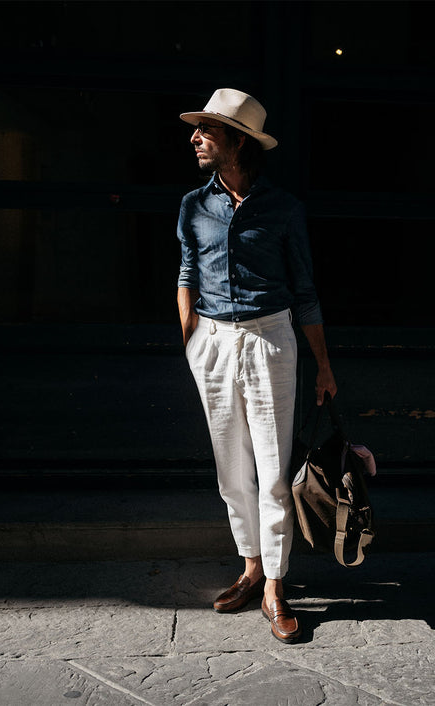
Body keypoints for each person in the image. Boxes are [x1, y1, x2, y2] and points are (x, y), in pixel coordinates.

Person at [176, 88, 337, 644]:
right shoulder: (194, 204)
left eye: (207, 130)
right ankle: (249, 567)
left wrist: (322, 363)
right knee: (231, 468)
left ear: (238, 141)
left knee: (272, 467)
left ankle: (274, 583)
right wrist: (191, 338)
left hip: (272, 338)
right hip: (214, 343)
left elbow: (306, 288)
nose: (195, 138)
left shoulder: (283, 209)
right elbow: (187, 269)